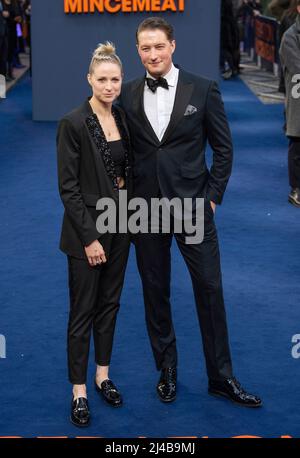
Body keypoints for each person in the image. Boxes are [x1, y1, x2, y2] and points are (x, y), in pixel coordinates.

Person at [119, 17, 262, 407]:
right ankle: (167, 369)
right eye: (145, 48)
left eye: (159, 47)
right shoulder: (127, 95)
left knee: (210, 290)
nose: (152, 54)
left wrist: (212, 197)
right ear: (138, 51)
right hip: (145, 210)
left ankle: (221, 377)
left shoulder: (203, 88)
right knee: (155, 291)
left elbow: (224, 148)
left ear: (173, 46)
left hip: (193, 207)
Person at [57, 42, 132, 427]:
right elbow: (68, 188)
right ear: (89, 79)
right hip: (87, 235)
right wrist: (90, 238)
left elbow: (125, 176)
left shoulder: (122, 119)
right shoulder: (73, 122)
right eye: (101, 79)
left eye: (115, 79)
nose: (109, 86)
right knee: (82, 311)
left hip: (121, 230)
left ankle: (102, 376)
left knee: (110, 305)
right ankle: (79, 390)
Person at [279, 0, 300, 206]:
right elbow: (296, 67)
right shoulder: (290, 36)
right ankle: (296, 188)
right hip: (298, 97)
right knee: (297, 141)